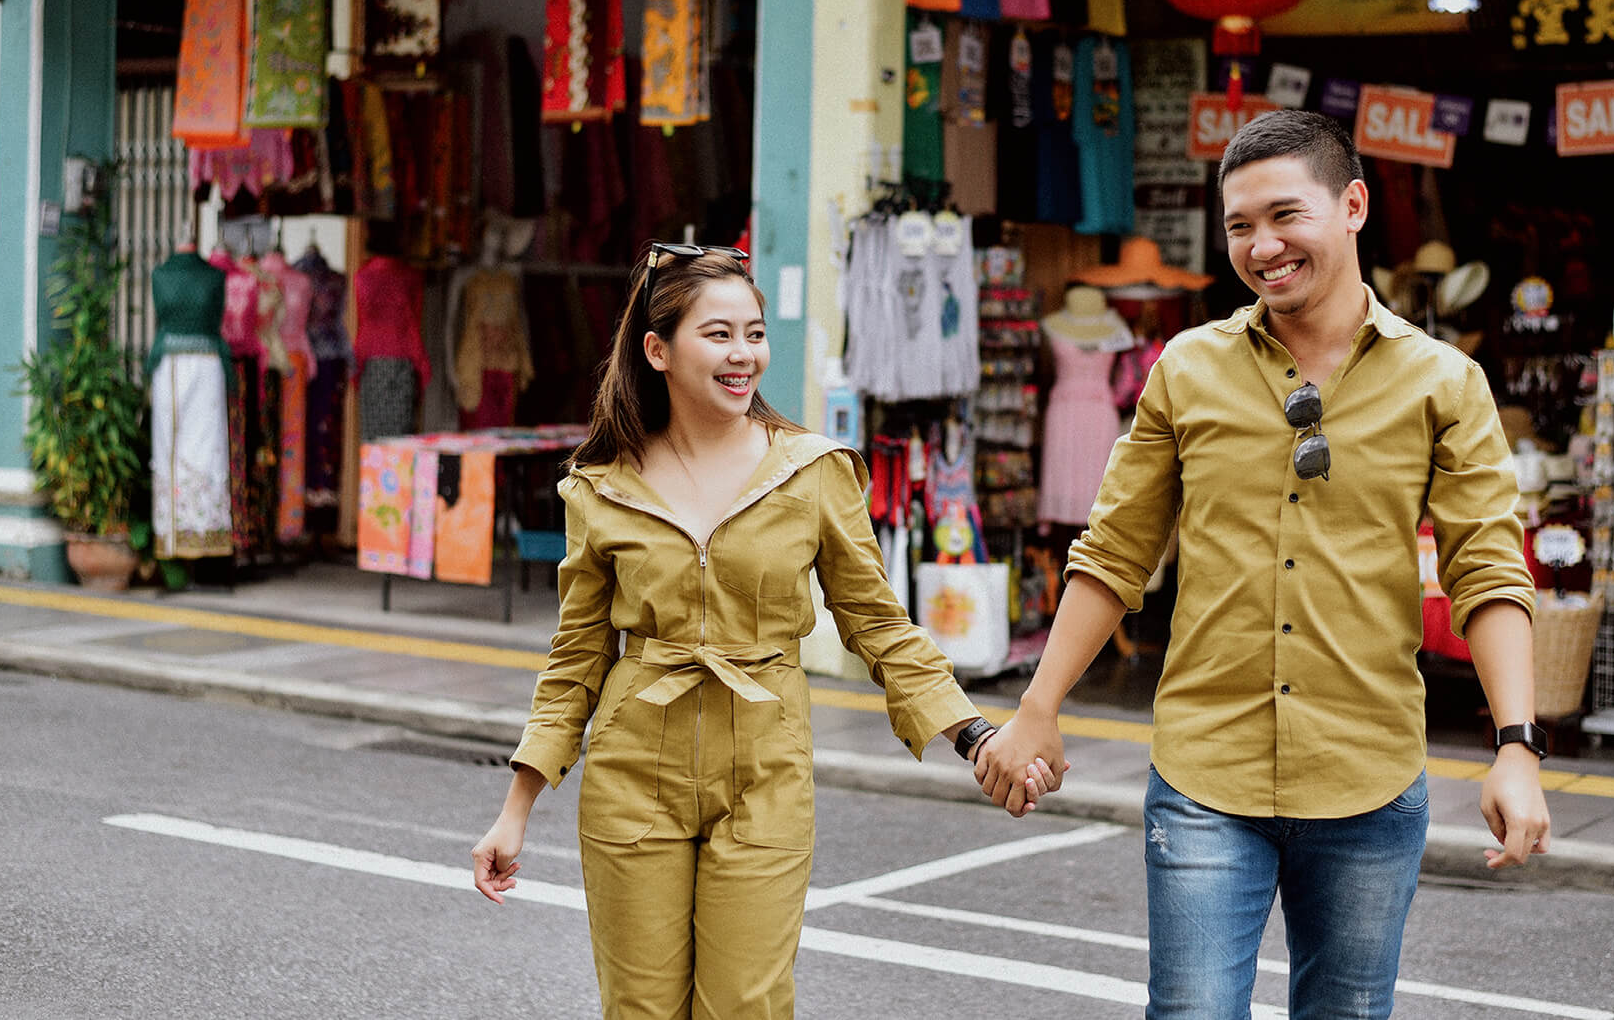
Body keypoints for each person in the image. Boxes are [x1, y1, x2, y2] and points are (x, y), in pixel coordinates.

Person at [976, 110, 1550, 1020]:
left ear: (1354, 205)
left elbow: (1489, 572)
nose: (1262, 246)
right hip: (1208, 773)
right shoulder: (1186, 368)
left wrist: (1515, 746)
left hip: (1368, 776)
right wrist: (1039, 709)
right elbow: (1115, 550)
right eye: (1240, 225)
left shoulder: (1444, 382)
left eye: (1286, 216)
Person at [471, 243, 1040, 1020]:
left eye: (755, 333)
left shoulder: (812, 471)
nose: (744, 355)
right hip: (633, 765)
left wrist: (972, 733)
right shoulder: (601, 486)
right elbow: (576, 659)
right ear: (658, 350)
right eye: (719, 335)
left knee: (746, 1004)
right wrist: (517, 805)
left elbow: (876, 622)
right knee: (640, 1007)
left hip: (764, 763)